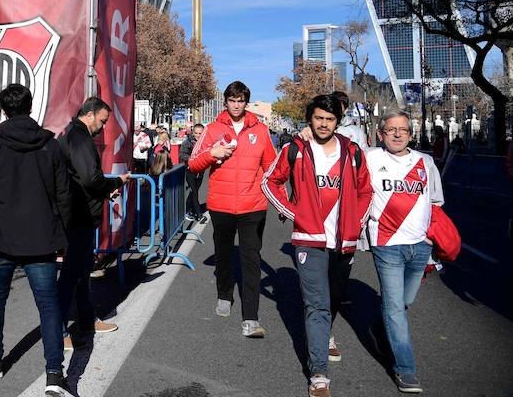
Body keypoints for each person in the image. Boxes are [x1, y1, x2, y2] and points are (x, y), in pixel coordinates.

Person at [0, 84, 73, 396]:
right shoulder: (49, 145)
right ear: (30, 106)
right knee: (49, 305)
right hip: (42, 238)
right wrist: (61, 233)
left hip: (1, 239)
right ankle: (54, 374)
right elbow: (64, 196)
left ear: (3, 109)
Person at [262, 94, 373, 397]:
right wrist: (290, 211)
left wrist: (357, 222)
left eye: (330, 119)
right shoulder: (295, 149)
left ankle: (325, 335)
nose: (324, 124)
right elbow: (269, 182)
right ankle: (319, 373)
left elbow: (366, 191)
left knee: (333, 298)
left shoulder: (352, 152)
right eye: (319, 118)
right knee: (318, 305)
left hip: (343, 241)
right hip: (308, 240)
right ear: (310, 118)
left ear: (338, 121)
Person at [365, 108, 445, 394]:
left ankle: (381, 324)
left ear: (411, 134)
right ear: (380, 133)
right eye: (391, 129)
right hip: (386, 243)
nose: (397, 134)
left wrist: (434, 241)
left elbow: (436, 201)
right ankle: (406, 369)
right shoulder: (370, 158)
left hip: (420, 246)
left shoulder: (425, 161)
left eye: (403, 130)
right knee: (396, 308)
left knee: (403, 302)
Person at [188, 80, 276, 338]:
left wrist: (278, 200)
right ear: (226, 102)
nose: (236, 105)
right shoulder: (212, 129)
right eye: (232, 100)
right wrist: (212, 153)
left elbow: (271, 167)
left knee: (251, 260)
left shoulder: (260, 130)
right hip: (221, 206)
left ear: (246, 103)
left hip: (253, 206)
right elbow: (193, 164)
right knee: (224, 255)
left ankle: (251, 318)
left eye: (241, 101)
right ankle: (224, 295)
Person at [57, 97, 130, 351]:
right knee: (71, 274)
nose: (103, 127)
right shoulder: (78, 136)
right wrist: (116, 183)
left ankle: (86, 320)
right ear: (89, 115)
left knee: (80, 272)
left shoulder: (75, 134)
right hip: (79, 215)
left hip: (82, 212)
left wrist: (103, 190)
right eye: (102, 121)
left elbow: (85, 178)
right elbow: (89, 178)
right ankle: (59, 330)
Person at [179, 123, 206, 222]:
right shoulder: (188, 142)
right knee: (194, 192)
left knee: (194, 192)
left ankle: (188, 210)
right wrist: (192, 159)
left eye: (200, 133)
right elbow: (181, 154)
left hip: (201, 171)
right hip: (190, 170)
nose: (198, 135)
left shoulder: (205, 142)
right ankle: (199, 215)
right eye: (196, 133)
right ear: (193, 133)